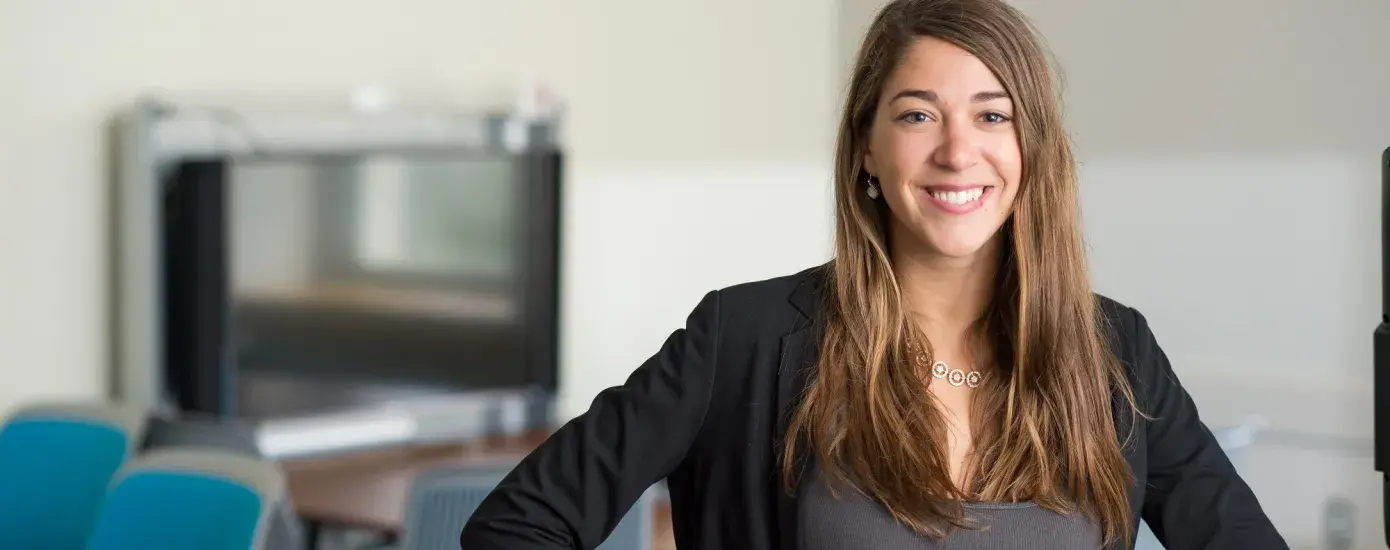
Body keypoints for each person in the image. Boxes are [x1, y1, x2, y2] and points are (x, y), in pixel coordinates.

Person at [459, 0, 1287, 548]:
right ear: (867, 148)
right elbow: (517, 527)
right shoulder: (741, 339)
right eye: (918, 114)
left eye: (992, 115)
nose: (958, 150)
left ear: (1031, 147)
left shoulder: (1116, 351)